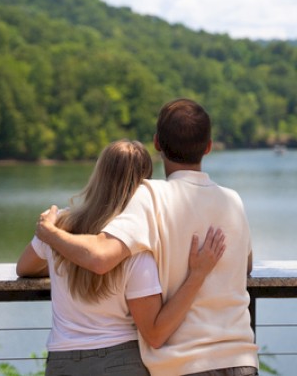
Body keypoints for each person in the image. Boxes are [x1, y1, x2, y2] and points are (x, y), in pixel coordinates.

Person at [35, 99, 259, 376]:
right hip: (240, 359)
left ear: (157, 143)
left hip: (185, 364)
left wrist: (50, 233)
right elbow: (244, 265)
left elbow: (101, 257)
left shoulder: (151, 197)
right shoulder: (232, 201)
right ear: (209, 146)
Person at [17, 139, 225, 376]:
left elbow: (24, 267)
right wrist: (196, 275)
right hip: (121, 361)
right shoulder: (134, 244)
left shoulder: (60, 226)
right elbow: (155, 333)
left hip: (62, 361)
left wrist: (62, 262)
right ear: (143, 184)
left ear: (99, 173)